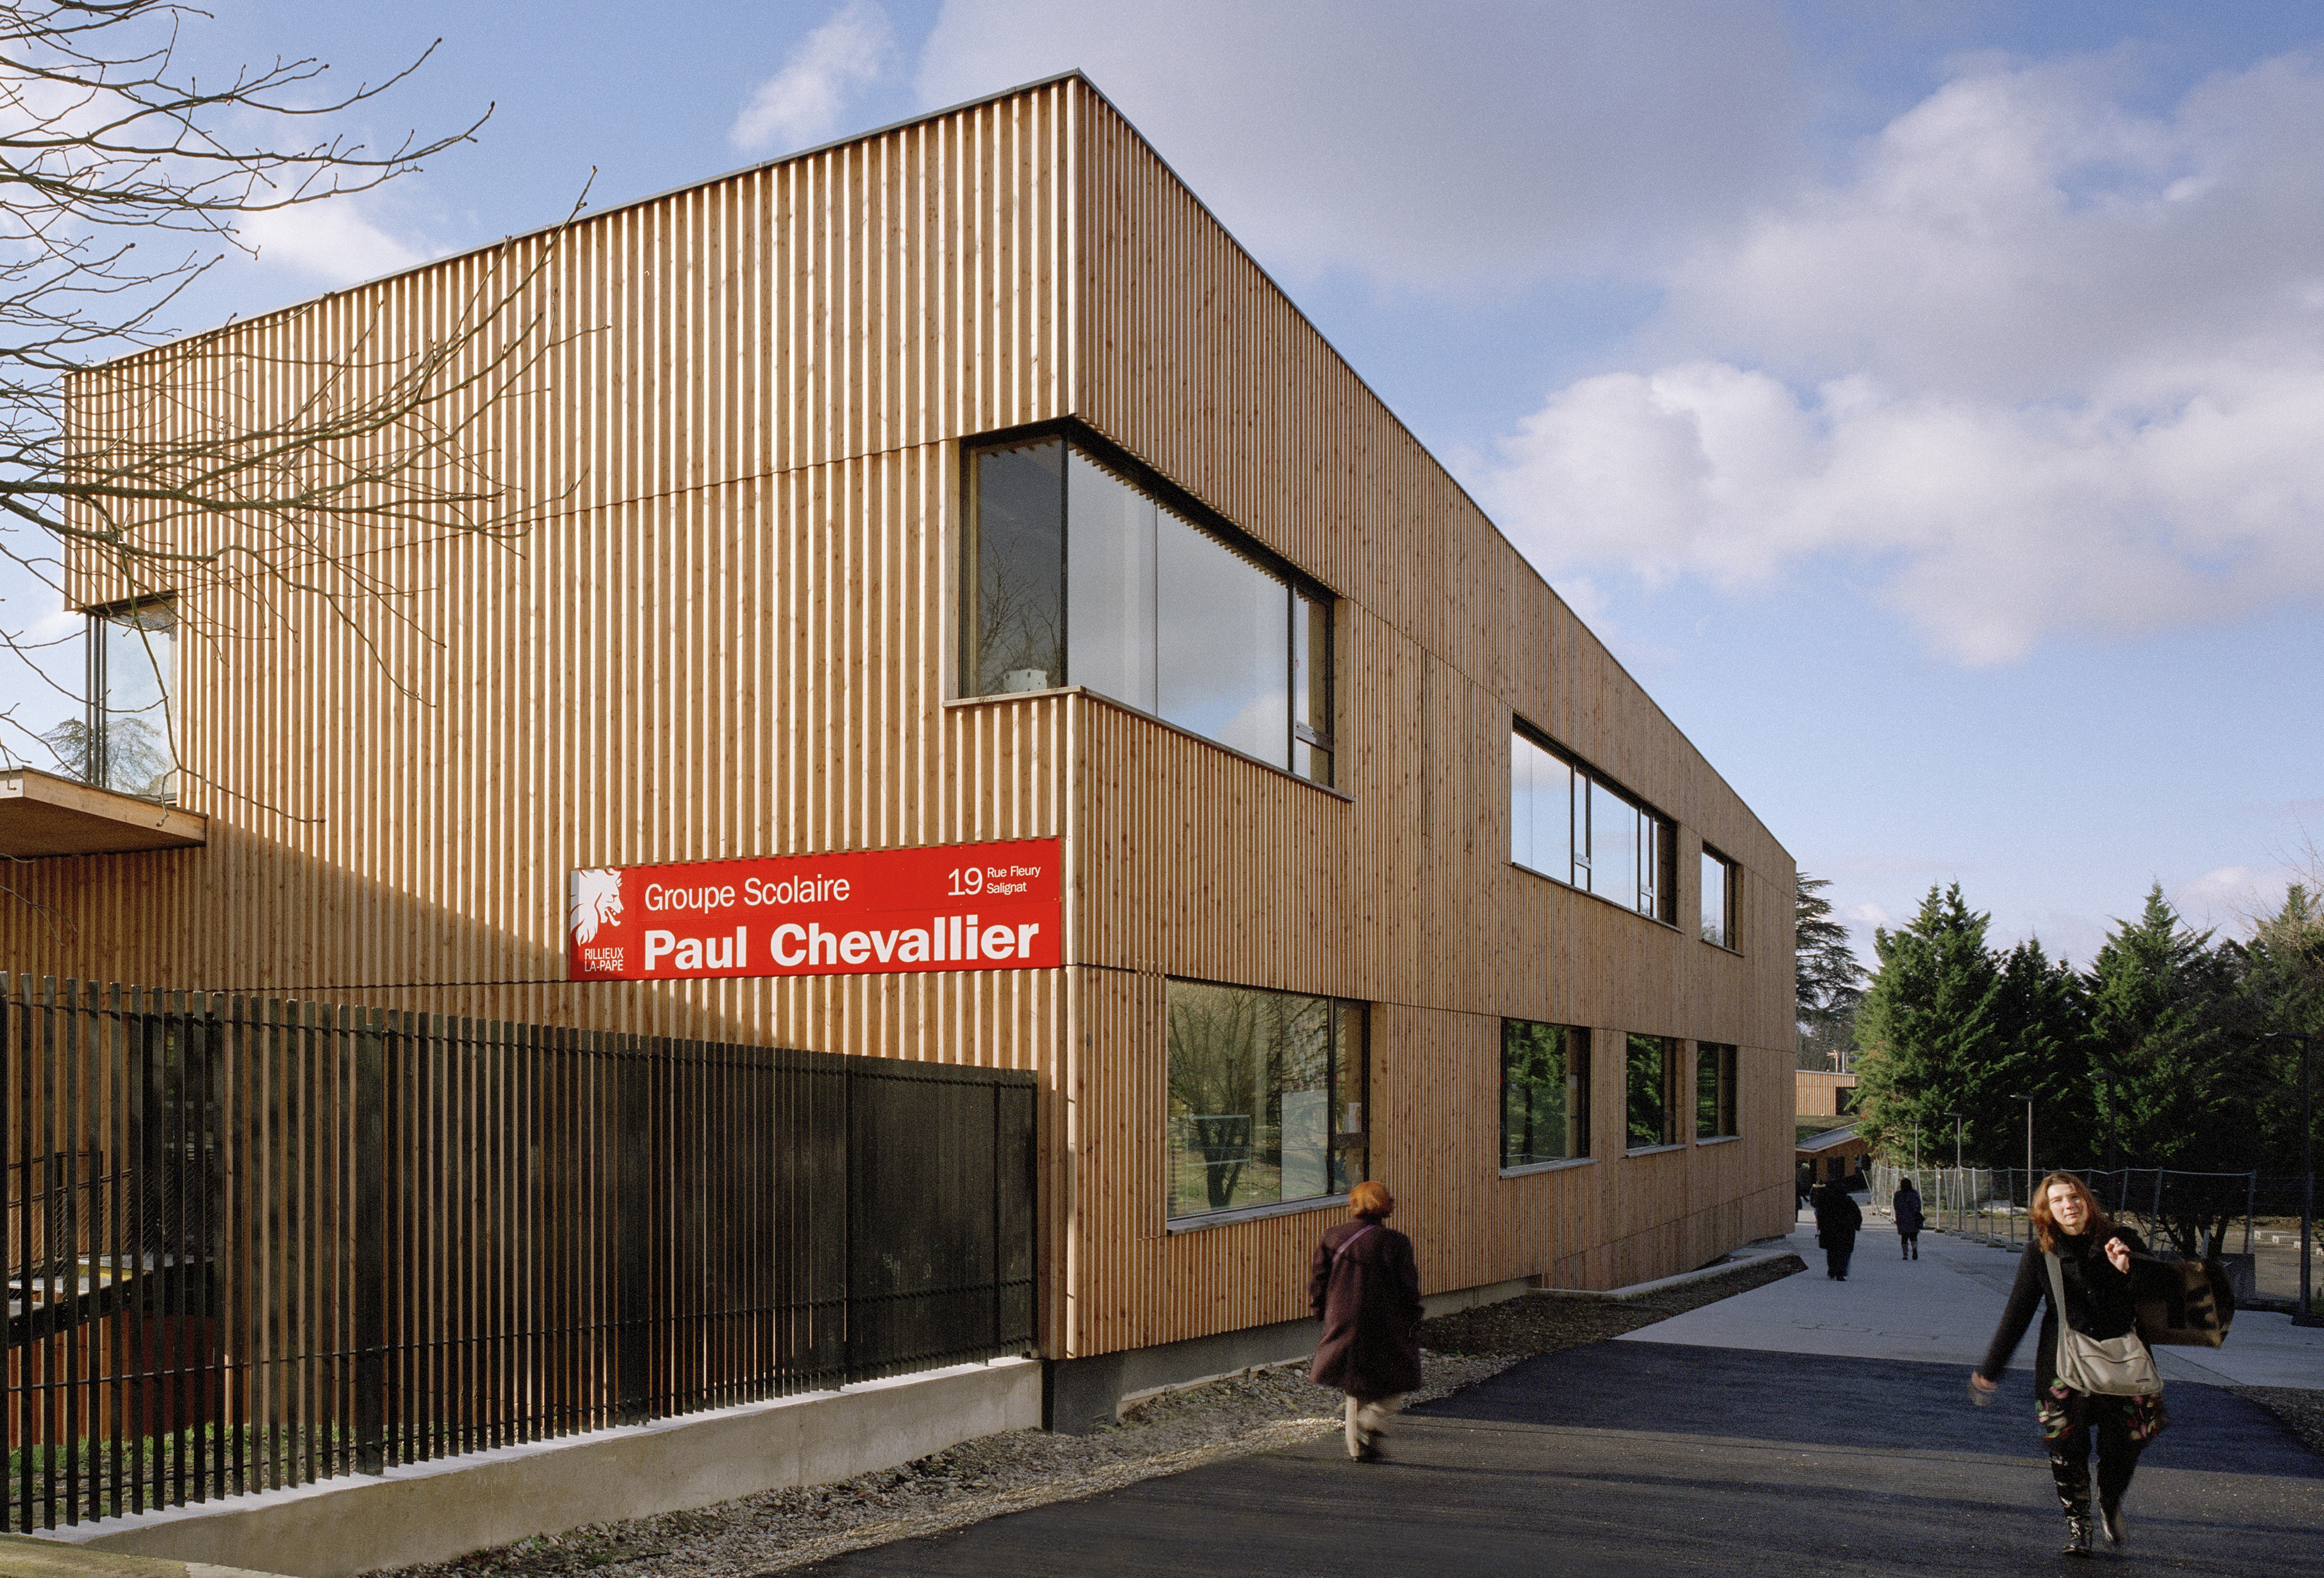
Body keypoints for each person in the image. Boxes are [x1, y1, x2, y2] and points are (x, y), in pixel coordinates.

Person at [1970, 1171, 2168, 1558]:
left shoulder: (2122, 1240)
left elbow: (2162, 1295)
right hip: (2063, 1365)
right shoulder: (2039, 1252)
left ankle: (2109, 1502)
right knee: (2066, 1446)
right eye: (2058, 1200)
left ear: (2087, 1201)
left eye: (2074, 1197)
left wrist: (2131, 1270)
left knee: (2126, 1444)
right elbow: (2018, 1314)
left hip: (2122, 1361)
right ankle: (2079, 1526)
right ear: (2047, 1211)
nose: (2068, 1205)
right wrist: (1991, 1369)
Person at [1309, 1178, 1423, 1462]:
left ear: (1354, 1204)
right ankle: (1369, 1423)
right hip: (1384, 1319)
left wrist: (1320, 1311)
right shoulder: (1395, 1243)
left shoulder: (1332, 1236)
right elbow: (1408, 1286)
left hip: (1342, 1316)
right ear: (1384, 1205)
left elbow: (1318, 1280)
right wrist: (1414, 1317)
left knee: (1353, 1382)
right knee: (1397, 1380)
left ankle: (1357, 1450)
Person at [1813, 1180, 1862, 1279]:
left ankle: (1832, 1270)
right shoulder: (1849, 1202)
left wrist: (1821, 1227)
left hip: (1830, 1230)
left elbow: (1821, 1216)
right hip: (1847, 1231)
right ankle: (1841, 1272)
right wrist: (1857, 1226)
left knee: (1832, 1251)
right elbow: (1857, 1215)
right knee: (1844, 1252)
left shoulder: (1827, 1202)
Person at [1894, 1176, 1924, 1260]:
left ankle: (1905, 1254)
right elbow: (1919, 1205)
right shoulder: (1915, 1194)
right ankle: (1914, 1248)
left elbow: (1896, 1206)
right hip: (1913, 1218)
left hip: (1902, 1218)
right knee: (1914, 1236)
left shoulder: (1898, 1195)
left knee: (1904, 1237)